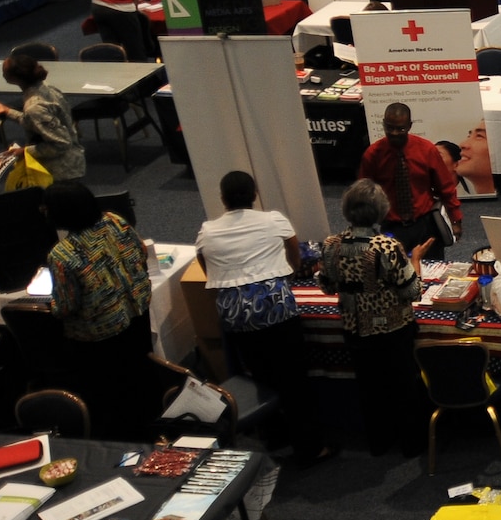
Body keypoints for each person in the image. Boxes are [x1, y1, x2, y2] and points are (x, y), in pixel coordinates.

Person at [196, 171, 328, 464]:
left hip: (234, 312)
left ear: (222, 199)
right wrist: (288, 273)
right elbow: (294, 254)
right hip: (274, 305)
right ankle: (310, 446)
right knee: (293, 378)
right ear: (254, 195)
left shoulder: (208, 230)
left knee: (258, 374)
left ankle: (273, 433)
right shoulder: (274, 221)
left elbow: (206, 264)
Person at [318, 179, 429, 456]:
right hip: (393, 330)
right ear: (381, 211)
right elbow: (413, 291)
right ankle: (412, 445)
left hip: (354, 328)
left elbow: (327, 286)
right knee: (403, 388)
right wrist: (416, 260)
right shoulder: (387, 247)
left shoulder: (332, 245)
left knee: (370, 390)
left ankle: (379, 442)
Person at [44, 182, 152, 438]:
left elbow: (66, 307)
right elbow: (142, 252)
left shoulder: (62, 255)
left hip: (99, 338)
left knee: (110, 399)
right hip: (137, 315)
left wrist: (50, 303)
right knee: (137, 382)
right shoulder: (114, 221)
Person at [357, 102, 462, 253]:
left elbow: (445, 187)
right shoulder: (373, 154)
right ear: (383, 125)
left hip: (425, 224)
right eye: (389, 127)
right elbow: (364, 195)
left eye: (400, 128)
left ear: (409, 126)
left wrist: (456, 220)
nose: (394, 133)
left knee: (433, 271)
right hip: (392, 227)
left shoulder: (426, 150)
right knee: (396, 273)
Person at [0, 52, 85, 182]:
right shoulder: (47, 89)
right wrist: (7, 111)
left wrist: (25, 151)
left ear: (13, 78)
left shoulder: (34, 107)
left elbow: (61, 144)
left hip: (61, 171)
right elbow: (35, 120)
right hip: (71, 161)